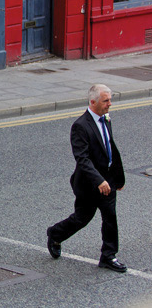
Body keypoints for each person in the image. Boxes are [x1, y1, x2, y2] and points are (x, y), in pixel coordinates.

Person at [47, 84, 126, 272]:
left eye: (110, 100)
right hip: (89, 184)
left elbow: (110, 149)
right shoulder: (80, 126)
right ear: (93, 102)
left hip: (108, 181)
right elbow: (82, 159)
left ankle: (108, 256)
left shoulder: (106, 119)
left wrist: (117, 179)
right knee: (82, 218)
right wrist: (99, 180)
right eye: (106, 101)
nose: (110, 104)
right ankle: (55, 234)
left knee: (110, 218)